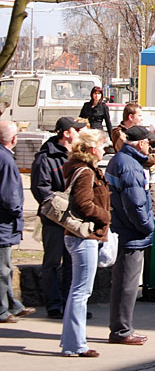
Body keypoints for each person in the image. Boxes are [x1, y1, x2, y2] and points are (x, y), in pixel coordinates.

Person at [60, 128, 111, 357]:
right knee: (81, 292)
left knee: (78, 291)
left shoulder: (83, 169)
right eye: (101, 146)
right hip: (84, 237)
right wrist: (106, 215)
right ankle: (75, 344)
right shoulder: (86, 172)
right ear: (92, 149)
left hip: (82, 237)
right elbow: (83, 204)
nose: (104, 150)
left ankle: (71, 341)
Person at [105, 125, 155, 345]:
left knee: (123, 283)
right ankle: (122, 330)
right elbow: (134, 204)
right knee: (127, 284)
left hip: (124, 230)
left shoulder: (122, 160)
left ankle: (121, 327)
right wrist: (147, 226)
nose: (151, 146)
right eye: (149, 142)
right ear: (141, 143)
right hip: (130, 234)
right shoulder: (130, 166)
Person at [30, 116, 86, 318]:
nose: (80, 132)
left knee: (73, 262)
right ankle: (53, 304)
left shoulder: (78, 156)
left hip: (75, 221)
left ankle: (70, 303)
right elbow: (40, 189)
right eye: (76, 129)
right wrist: (58, 207)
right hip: (54, 220)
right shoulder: (45, 158)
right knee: (52, 262)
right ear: (66, 133)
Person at [0, 121, 35, 324]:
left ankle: (12, 304)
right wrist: (16, 211)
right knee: (3, 269)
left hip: (5, 223)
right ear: (13, 139)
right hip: (4, 222)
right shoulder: (6, 160)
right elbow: (9, 195)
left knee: (7, 267)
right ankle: (4, 309)